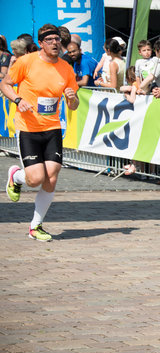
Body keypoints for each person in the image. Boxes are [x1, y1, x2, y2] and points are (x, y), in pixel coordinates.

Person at [0, 23, 79, 242]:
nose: (56, 43)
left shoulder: (66, 68)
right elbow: (5, 84)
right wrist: (18, 99)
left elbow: (74, 105)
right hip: (28, 128)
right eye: (51, 40)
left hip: (52, 127)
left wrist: (72, 99)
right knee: (36, 179)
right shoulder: (26, 62)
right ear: (42, 43)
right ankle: (16, 176)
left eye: (58, 40)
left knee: (51, 178)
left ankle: (36, 226)